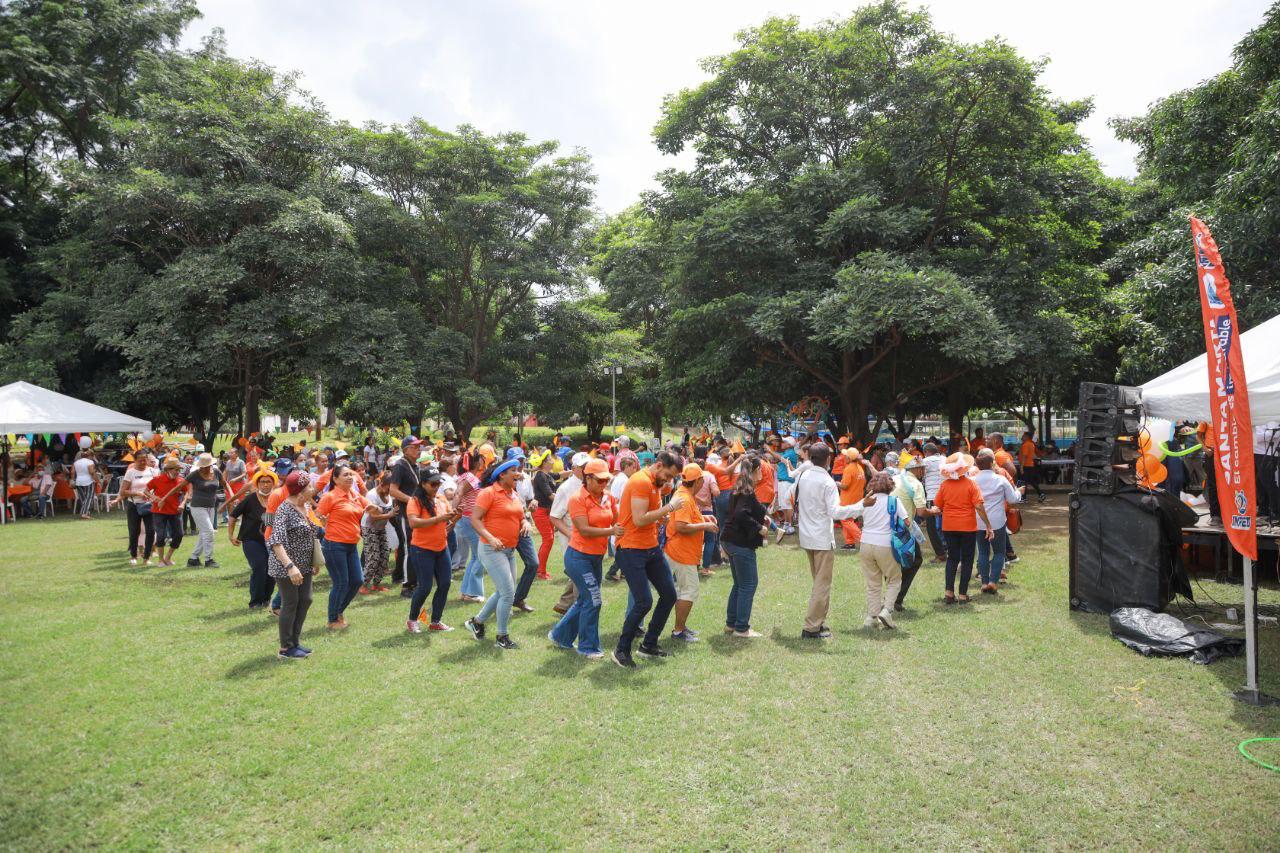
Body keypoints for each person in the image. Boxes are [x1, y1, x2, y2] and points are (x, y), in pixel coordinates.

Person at [611, 451, 686, 669]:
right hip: (630, 549)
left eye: (672, 478)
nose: (669, 481)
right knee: (644, 601)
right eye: (668, 475)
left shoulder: (655, 483)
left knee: (670, 594)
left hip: (649, 546)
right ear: (659, 465)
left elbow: (647, 516)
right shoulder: (641, 481)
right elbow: (639, 519)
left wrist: (660, 518)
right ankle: (621, 650)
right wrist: (668, 508)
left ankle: (649, 644)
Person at [548, 458, 619, 658]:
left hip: (596, 557)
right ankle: (587, 647)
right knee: (594, 600)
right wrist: (612, 530)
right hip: (578, 557)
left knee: (584, 600)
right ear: (588, 478)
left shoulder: (608, 498)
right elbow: (584, 530)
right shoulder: (577, 498)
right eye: (600, 480)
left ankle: (560, 636)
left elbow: (618, 519)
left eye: (607, 480)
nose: (604, 484)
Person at [792, 443, 862, 639]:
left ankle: (817, 622)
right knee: (822, 585)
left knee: (819, 583)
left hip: (808, 536)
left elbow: (793, 495)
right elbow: (835, 512)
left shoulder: (804, 476)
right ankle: (812, 626)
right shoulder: (827, 481)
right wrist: (861, 506)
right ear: (828, 459)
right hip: (821, 538)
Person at [464, 459, 526, 650]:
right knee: (508, 593)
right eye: (513, 471)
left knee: (503, 591)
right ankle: (502, 636)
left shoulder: (513, 494)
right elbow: (474, 519)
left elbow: (521, 517)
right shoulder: (488, 493)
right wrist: (490, 538)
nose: (518, 474)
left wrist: (526, 523)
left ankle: (477, 622)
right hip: (492, 550)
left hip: (509, 550)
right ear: (502, 475)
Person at [845, 471, 910, 629]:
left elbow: (855, 515)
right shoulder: (893, 501)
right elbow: (907, 522)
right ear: (890, 485)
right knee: (894, 579)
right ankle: (887, 610)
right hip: (886, 544)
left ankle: (871, 617)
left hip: (866, 543)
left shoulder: (866, 501)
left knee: (873, 583)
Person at [267, 470, 320, 659]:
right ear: (300, 491)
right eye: (309, 486)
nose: (313, 489)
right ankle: (286, 648)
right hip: (286, 566)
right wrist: (290, 567)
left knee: (306, 599)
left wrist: (313, 561)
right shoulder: (284, 510)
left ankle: (295, 642)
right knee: (291, 603)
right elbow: (276, 542)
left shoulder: (304, 506)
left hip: (304, 565)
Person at [929, 455, 994, 603]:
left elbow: (937, 505)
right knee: (967, 559)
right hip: (967, 527)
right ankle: (963, 594)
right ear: (964, 468)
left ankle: (949, 593)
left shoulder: (945, 485)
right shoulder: (971, 484)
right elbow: (978, 505)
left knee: (952, 558)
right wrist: (988, 525)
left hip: (949, 526)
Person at [665, 462, 717, 642]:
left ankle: (681, 628)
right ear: (698, 481)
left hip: (681, 551)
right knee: (689, 591)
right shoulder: (685, 499)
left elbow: (686, 518)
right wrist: (706, 525)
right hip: (682, 553)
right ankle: (678, 631)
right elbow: (681, 526)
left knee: (683, 591)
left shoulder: (684, 494)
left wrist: (703, 517)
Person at [406, 469, 459, 633]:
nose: (437, 487)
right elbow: (413, 523)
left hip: (441, 548)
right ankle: (412, 620)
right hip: (422, 549)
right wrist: (438, 519)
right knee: (425, 587)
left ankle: (435, 621)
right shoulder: (415, 501)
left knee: (445, 583)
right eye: (433, 484)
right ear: (423, 484)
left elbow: (448, 518)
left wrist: (455, 517)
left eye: (438, 483)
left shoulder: (441, 499)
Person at [720, 457, 768, 638]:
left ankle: (731, 625)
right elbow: (741, 514)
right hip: (739, 543)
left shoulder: (739, 489)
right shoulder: (747, 491)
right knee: (748, 584)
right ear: (755, 470)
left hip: (730, 540)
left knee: (740, 584)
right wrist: (759, 528)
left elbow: (740, 512)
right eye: (761, 470)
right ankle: (741, 628)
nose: (763, 473)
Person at [316, 463, 367, 630]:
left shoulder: (354, 495)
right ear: (335, 479)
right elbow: (317, 516)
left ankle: (338, 611)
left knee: (357, 581)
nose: (350, 477)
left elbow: (370, 507)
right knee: (341, 583)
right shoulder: (330, 496)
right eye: (345, 475)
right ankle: (333, 620)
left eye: (351, 474)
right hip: (334, 545)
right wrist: (323, 524)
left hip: (351, 545)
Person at [229, 468, 278, 609]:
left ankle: (266, 598)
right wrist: (230, 535)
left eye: (268, 482)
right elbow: (233, 516)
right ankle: (255, 601)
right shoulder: (250, 499)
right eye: (262, 482)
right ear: (257, 483)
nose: (265, 485)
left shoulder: (277, 499)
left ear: (273, 483)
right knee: (259, 566)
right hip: (251, 540)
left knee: (272, 568)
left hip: (273, 541)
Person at [974, 454, 1023, 594]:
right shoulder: (1000, 479)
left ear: (978, 465)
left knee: (983, 552)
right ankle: (993, 582)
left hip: (979, 520)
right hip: (997, 521)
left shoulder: (972, 480)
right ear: (991, 464)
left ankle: (984, 582)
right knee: (999, 552)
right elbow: (1013, 498)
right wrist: (1019, 492)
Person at [549, 452, 590, 614]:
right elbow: (554, 517)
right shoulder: (566, 488)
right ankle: (575, 612)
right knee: (580, 575)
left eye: (588, 466)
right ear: (573, 469)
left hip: (588, 539)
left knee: (578, 574)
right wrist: (571, 534)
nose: (587, 470)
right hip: (573, 541)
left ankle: (564, 604)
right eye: (583, 467)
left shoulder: (589, 483)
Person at [386, 437, 424, 597]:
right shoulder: (400, 465)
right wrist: (412, 501)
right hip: (405, 513)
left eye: (419, 447)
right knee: (409, 548)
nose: (419, 449)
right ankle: (407, 586)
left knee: (416, 548)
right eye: (415, 447)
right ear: (406, 449)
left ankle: (415, 581)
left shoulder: (414, 465)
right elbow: (393, 491)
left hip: (415, 512)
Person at [452, 450, 486, 602]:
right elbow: (458, 493)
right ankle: (472, 593)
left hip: (468, 520)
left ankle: (467, 592)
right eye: (482, 460)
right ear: (476, 462)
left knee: (475, 557)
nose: (483, 463)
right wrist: (451, 512)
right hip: (471, 520)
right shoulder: (470, 477)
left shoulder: (465, 476)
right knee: (481, 556)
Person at [118, 451, 158, 566]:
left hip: (149, 505)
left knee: (151, 531)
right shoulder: (131, 472)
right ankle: (133, 556)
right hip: (134, 505)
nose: (142, 462)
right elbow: (123, 491)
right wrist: (137, 493)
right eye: (140, 459)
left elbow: (157, 487)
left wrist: (155, 497)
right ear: (135, 460)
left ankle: (146, 557)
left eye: (144, 459)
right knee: (134, 531)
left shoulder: (152, 471)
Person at [146, 457, 187, 566]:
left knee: (179, 534)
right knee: (161, 535)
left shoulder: (181, 480)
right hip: (159, 511)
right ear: (168, 469)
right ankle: (160, 560)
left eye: (179, 470)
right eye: (176, 470)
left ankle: (167, 557)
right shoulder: (158, 479)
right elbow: (146, 490)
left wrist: (183, 503)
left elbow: (187, 492)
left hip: (175, 511)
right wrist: (154, 498)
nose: (178, 472)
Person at [360, 472, 396, 593]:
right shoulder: (371, 495)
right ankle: (363, 585)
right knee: (373, 557)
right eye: (388, 488)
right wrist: (389, 514)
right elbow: (373, 516)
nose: (389, 491)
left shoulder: (389, 495)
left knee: (385, 556)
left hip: (381, 528)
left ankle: (376, 584)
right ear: (382, 484)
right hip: (369, 528)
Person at [529, 450, 557, 580]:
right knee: (548, 539)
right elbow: (550, 495)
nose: (553, 461)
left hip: (547, 511)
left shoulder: (547, 475)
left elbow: (559, 474)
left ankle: (540, 569)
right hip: (541, 512)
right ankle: (540, 572)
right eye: (551, 459)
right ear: (545, 463)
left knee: (549, 540)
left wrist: (574, 471)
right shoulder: (541, 476)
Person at [1018, 430, 1046, 502]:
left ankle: (1024, 498)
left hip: (1025, 465)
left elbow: (1024, 456)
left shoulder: (1026, 445)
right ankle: (1040, 494)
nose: (1022, 437)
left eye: (1023, 436)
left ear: (1027, 437)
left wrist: (1021, 467)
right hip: (1030, 465)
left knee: (1024, 482)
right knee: (1030, 481)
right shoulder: (1031, 444)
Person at [72, 449, 97, 519]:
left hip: (78, 481)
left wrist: (72, 479)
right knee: (89, 497)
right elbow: (91, 472)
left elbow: (72, 472)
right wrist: (96, 479)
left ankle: (86, 513)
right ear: (90, 456)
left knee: (83, 498)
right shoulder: (90, 462)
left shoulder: (76, 462)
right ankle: (84, 514)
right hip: (88, 481)